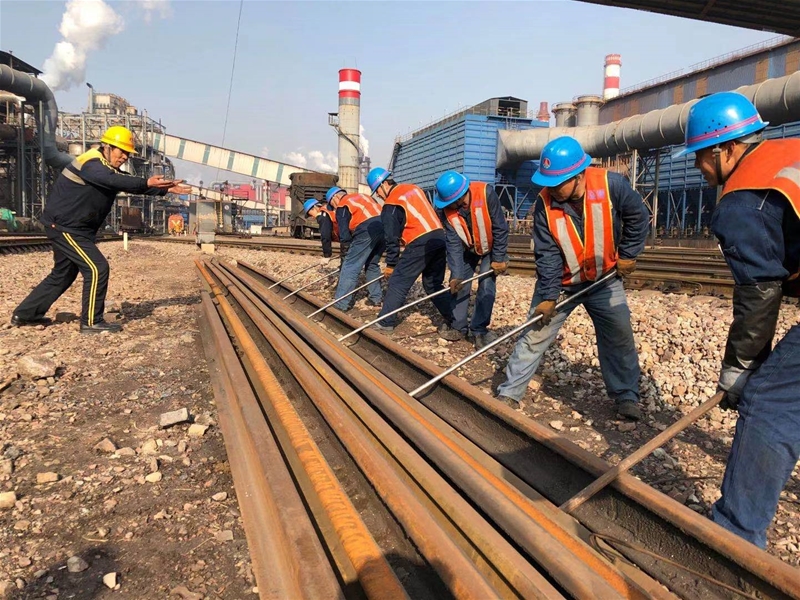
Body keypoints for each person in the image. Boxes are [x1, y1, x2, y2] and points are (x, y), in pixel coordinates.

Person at [675, 91, 800, 548]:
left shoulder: (745, 197)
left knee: (769, 403)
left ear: (725, 149)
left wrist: (740, 370)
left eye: (700, 157)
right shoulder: (789, 153)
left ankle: (734, 538)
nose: (698, 168)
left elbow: (759, 293)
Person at [495, 136, 648, 420]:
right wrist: (549, 296)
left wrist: (628, 253)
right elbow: (547, 254)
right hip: (563, 284)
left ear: (578, 176)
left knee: (619, 335)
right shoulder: (544, 204)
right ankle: (510, 393)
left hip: (604, 279)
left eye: (557, 184)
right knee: (534, 334)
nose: (552, 189)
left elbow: (637, 216)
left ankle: (626, 396)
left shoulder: (612, 186)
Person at [11, 126, 188, 334]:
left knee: (63, 274)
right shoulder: (91, 163)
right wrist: (147, 182)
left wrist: (163, 189)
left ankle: (25, 314)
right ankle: (91, 322)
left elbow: (122, 181)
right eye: (121, 151)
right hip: (66, 227)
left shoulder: (105, 167)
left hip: (73, 227)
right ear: (107, 146)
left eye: (127, 153)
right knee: (97, 268)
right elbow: (114, 180)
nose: (124, 156)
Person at [367, 167, 456, 336]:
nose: (378, 195)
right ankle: (456, 319)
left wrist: (391, 264)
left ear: (384, 184)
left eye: (377, 190)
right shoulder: (413, 188)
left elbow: (391, 238)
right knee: (432, 284)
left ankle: (385, 322)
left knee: (398, 281)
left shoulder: (391, 203)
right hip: (438, 236)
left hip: (419, 240)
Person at [434, 170, 509, 349]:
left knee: (486, 283)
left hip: (491, 248)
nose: (447, 206)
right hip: (468, 248)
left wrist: (498, 258)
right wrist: (456, 274)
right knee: (460, 284)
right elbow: (453, 243)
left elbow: (500, 227)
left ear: (459, 198)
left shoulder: (486, 193)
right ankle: (458, 326)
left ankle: (479, 330)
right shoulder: (446, 212)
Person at [326, 186, 385, 311]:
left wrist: (345, 253)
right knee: (372, 264)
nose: (334, 208)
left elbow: (344, 235)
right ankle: (376, 299)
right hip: (384, 226)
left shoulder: (343, 204)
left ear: (335, 198)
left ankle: (341, 304)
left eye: (332, 205)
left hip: (367, 228)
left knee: (350, 266)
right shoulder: (362, 197)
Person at [302, 198, 336, 266]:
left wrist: (327, 255)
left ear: (314, 207)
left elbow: (325, 236)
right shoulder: (328, 209)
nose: (312, 217)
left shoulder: (322, 216)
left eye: (310, 214)